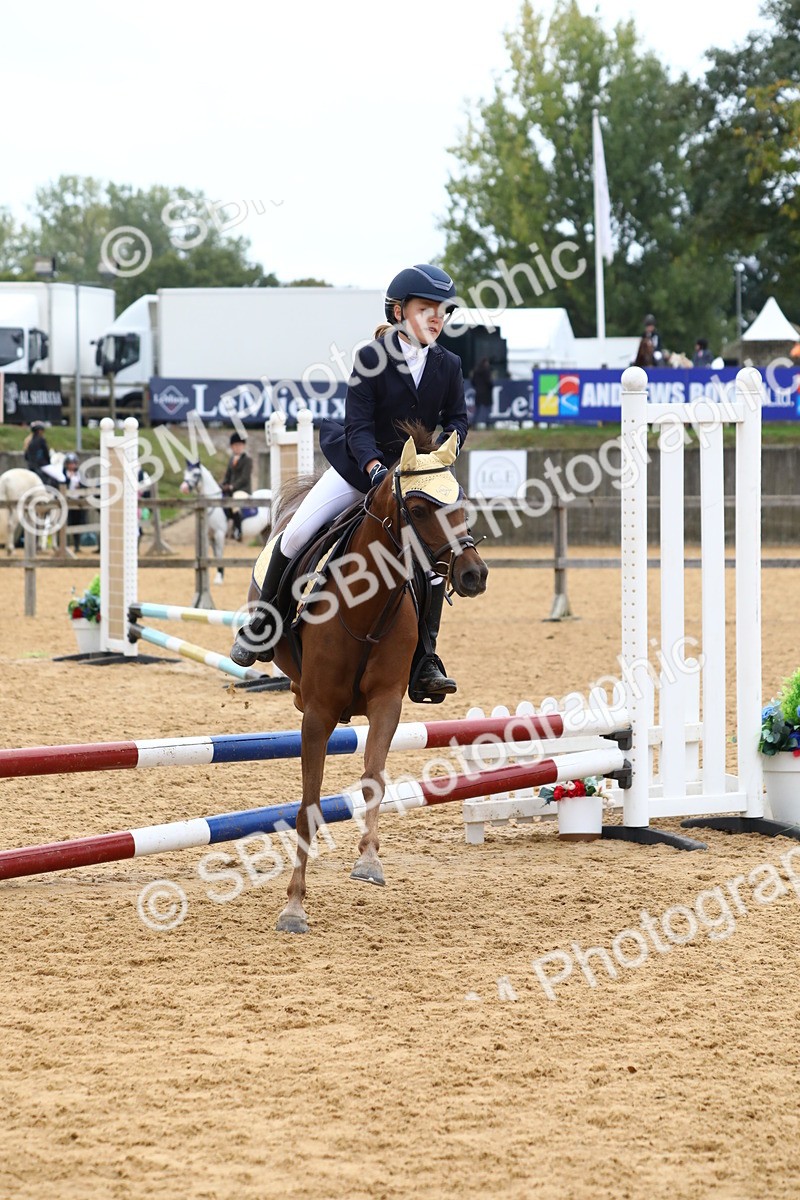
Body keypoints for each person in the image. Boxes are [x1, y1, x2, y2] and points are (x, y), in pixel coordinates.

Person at [230, 263, 469, 701]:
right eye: (427, 308)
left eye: (443, 310)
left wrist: (447, 450)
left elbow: (457, 418)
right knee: (297, 531)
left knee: (436, 558)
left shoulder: (448, 364)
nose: (438, 317)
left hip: (416, 479)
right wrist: (376, 468)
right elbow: (357, 426)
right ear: (398, 312)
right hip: (361, 468)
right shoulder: (370, 358)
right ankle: (264, 624)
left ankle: (427, 659)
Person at [220, 432, 253, 540]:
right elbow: (227, 476)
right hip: (231, 489)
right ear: (232, 446)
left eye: (239, 445)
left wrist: (231, 487)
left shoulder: (247, 460)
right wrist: (223, 484)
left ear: (243, 446)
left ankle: (238, 530)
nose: (237, 447)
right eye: (235, 445)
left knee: (235, 500)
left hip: (243, 490)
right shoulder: (231, 460)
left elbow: (244, 478)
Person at [62, 452, 88, 551]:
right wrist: (68, 480)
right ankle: (65, 545)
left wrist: (80, 487)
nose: (71, 465)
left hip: (78, 501)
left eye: (73, 463)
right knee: (69, 523)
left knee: (79, 522)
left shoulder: (80, 474)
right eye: (70, 463)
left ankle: (77, 545)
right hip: (68, 501)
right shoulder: (63, 473)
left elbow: (86, 485)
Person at [470, 357, 493, 429]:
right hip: (486, 393)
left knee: (477, 409)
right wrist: (491, 386)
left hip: (478, 392)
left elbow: (472, 381)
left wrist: (477, 387)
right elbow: (488, 382)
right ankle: (488, 424)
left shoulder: (476, 371)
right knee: (487, 409)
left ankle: (473, 424)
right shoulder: (487, 371)